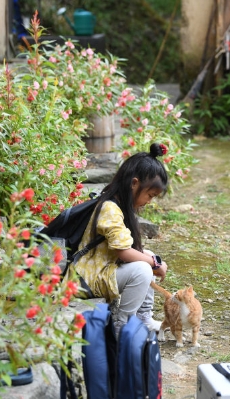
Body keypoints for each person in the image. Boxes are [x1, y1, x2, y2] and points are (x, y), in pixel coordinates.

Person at [70, 143, 170, 334]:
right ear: (134, 183)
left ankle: (143, 318)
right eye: (150, 195)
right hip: (86, 278)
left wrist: (151, 259)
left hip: (101, 270)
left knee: (146, 256)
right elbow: (123, 252)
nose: (149, 201)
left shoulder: (119, 204)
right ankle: (122, 327)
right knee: (143, 268)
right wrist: (155, 263)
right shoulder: (110, 208)